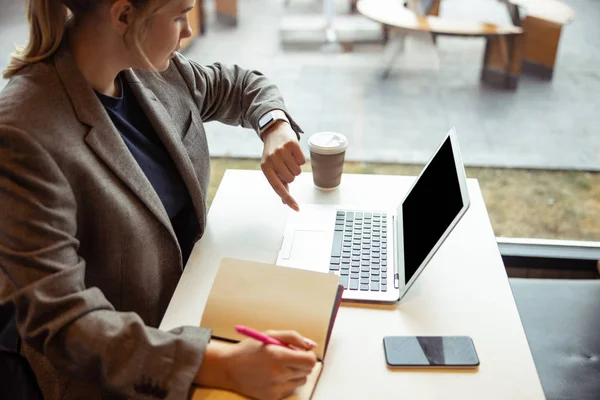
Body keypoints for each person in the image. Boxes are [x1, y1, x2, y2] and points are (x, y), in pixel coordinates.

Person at [0, 0, 318, 399]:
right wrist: (219, 365)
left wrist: (273, 124)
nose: (187, 32)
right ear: (124, 16)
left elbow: (238, 84)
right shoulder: (24, 134)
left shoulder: (148, 68)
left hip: (192, 307)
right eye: (180, 16)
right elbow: (66, 324)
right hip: (121, 373)